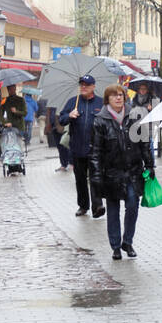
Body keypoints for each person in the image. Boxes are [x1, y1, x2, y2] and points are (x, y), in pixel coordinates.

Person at [89, 85, 154, 260]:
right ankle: (116, 246)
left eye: (120, 95)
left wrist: (149, 165)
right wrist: (95, 175)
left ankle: (128, 241)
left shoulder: (135, 116)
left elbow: (144, 142)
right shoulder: (100, 120)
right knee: (113, 210)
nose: (118, 98)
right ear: (107, 99)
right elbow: (95, 151)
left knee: (133, 206)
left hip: (133, 170)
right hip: (111, 173)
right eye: (114, 96)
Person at [59, 75, 104, 217]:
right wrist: (69, 116)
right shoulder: (73, 102)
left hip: (95, 148)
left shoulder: (101, 103)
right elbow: (61, 120)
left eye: (87, 85)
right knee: (80, 179)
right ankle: (83, 206)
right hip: (77, 148)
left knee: (96, 178)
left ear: (93, 87)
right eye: (82, 85)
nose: (83, 87)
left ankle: (98, 206)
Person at [0, 84, 26, 158]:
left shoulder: (21, 100)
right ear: (7, 90)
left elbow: (25, 113)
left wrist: (16, 111)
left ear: (15, 89)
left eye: (13, 89)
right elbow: (0, 115)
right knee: (7, 142)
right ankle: (2, 155)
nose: (11, 91)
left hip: (19, 126)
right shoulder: (5, 100)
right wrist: (5, 123)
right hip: (9, 126)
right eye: (9, 89)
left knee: (19, 143)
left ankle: (20, 157)